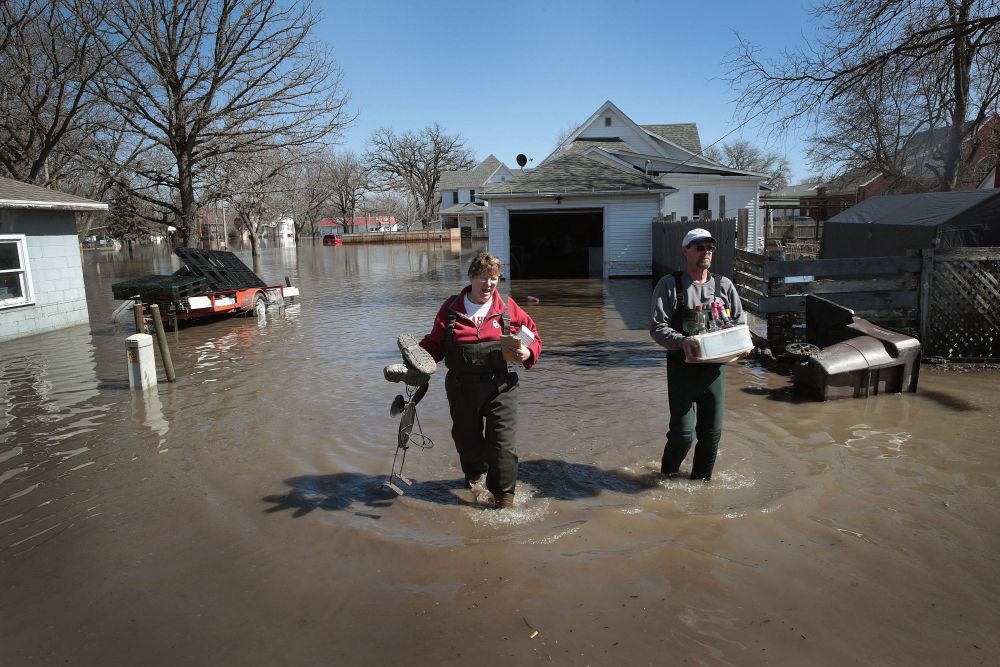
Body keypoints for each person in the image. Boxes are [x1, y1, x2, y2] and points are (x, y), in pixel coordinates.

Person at [419, 252, 542, 509]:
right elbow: (434, 345)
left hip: (501, 387)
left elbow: (533, 336)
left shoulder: (507, 308)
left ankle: (504, 499)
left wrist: (527, 352)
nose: (489, 284)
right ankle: (474, 481)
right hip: (461, 387)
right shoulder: (451, 308)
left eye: (494, 279)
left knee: (502, 447)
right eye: (484, 278)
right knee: (467, 441)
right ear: (472, 277)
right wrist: (414, 361)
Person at [649, 228, 746, 482]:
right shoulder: (670, 284)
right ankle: (665, 478)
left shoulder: (724, 286)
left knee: (712, 435)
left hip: (714, 372)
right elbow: (657, 328)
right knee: (683, 435)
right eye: (699, 247)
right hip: (682, 370)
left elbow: (739, 323)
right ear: (685, 251)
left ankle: (701, 487)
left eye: (710, 248)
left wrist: (743, 345)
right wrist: (683, 341)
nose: (706, 252)